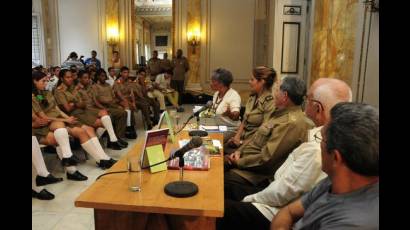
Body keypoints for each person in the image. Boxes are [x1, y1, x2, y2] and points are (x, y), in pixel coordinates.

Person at [217, 78, 352, 229]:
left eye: (307, 99)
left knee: (216, 209)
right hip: (277, 194)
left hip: (274, 207)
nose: (304, 103)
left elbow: (282, 193)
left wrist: (249, 199)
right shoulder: (321, 134)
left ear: (318, 108)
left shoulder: (318, 147)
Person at [271, 102, 379, 230]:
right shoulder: (336, 181)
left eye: (321, 138)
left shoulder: (351, 223)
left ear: (335, 157)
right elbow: (288, 212)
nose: (319, 145)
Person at [224, 76, 312, 198]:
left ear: (285, 95)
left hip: (256, 174)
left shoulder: (290, 123)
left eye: (276, 90)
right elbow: (256, 138)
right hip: (246, 162)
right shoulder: (279, 114)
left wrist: (238, 162)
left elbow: (267, 159)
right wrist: (239, 151)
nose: (273, 94)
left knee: (218, 180)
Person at [52, 69, 117, 169]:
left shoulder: (73, 88)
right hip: (70, 117)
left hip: (81, 112)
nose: (70, 79)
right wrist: (75, 104)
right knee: (90, 129)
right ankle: (101, 159)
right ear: (61, 78)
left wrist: (74, 103)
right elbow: (67, 108)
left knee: (91, 129)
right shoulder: (59, 91)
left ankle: (104, 158)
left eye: (71, 77)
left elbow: (82, 103)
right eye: (67, 77)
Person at [32, 71, 90, 179]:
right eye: (43, 81)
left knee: (60, 130)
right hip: (38, 127)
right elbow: (41, 117)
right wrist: (65, 119)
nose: (45, 83)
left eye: (46, 81)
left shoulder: (43, 93)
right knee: (60, 131)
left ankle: (69, 165)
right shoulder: (34, 96)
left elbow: (54, 109)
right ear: (34, 81)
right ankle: (70, 168)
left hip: (47, 122)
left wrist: (66, 118)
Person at [224, 66, 277, 154]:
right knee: (219, 149)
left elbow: (262, 132)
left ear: (262, 82)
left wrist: (241, 144)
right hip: (242, 139)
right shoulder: (252, 97)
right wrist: (237, 137)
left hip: (253, 145)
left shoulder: (270, 103)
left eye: (252, 80)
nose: (249, 82)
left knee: (224, 158)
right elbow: (244, 120)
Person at [76, 70, 127, 149]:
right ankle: (112, 140)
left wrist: (103, 108)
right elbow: (80, 105)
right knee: (109, 116)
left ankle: (115, 139)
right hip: (86, 112)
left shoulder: (90, 87)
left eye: (88, 78)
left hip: (95, 109)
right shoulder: (77, 90)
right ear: (79, 79)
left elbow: (95, 100)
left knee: (118, 113)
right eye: (85, 78)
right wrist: (104, 108)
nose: (88, 79)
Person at [92, 69, 128, 140]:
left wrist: (116, 104)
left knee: (124, 112)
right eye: (102, 76)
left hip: (111, 105)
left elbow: (113, 97)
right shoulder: (95, 86)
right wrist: (104, 107)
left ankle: (119, 136)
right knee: (118, 114)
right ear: (98, 77)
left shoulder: (108, 85)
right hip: (102, 107)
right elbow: (97, 100)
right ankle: (114, 138)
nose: (104, 78)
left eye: (104, 76)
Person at [112, 66, 138, 139]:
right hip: (117, 100)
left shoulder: (129, 82)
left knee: (131, 107)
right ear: (120, 73)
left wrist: (133, 103)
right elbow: (119, 96)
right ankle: (129, 127)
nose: (126, 74)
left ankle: (130, 127)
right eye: (124, 72)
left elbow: (131, 93)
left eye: (127, 72)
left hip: (126, 99)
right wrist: (130, 103)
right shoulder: (117, 82)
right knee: (128, 105)